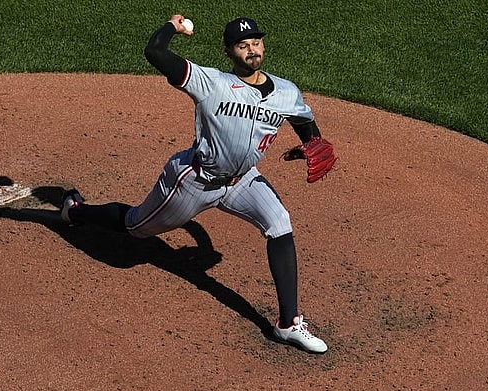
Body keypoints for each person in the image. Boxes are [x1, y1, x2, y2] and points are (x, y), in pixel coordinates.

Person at [60, 15, 329, 353]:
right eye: (243, 46)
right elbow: (155, 53)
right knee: (135, 227)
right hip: (195, 180)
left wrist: (314, 143)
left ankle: (288, 324)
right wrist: (172, 27)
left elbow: (305, 121)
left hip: (244, 181)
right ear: (229, 52)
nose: (252, 50)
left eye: (256, 43)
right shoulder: (210, 82)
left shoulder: (286, 91)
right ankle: (77, 211)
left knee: (280, 224)